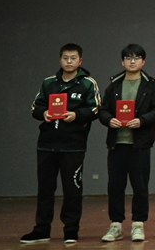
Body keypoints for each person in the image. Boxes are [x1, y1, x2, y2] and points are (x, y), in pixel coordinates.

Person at [21, 43, 101, 245]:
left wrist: (76, 115)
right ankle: (41, 229)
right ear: (60, 60)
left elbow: (96, 108)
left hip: (73, 145)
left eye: (73, 58)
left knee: (72, 190)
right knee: (45, 189)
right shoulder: (49, 83)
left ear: (80, 61)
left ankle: (71, 229)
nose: (69, 62)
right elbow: (35, 107)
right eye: (65, 58)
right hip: (47, 144)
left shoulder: (87, 83)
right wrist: (44, 113)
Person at [97, 44, 155, 242]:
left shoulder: (151, 85)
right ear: (122, 62)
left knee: (140, 186)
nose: (132, 61)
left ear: (143, 61)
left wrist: (142, 120)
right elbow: (102, 110)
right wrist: (109, 120)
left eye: (136, 58)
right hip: (117, 143)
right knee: (115, 186)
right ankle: (116, 225)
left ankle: (138, 224)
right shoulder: (114, 85)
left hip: (140, 145)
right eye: (128, 58)